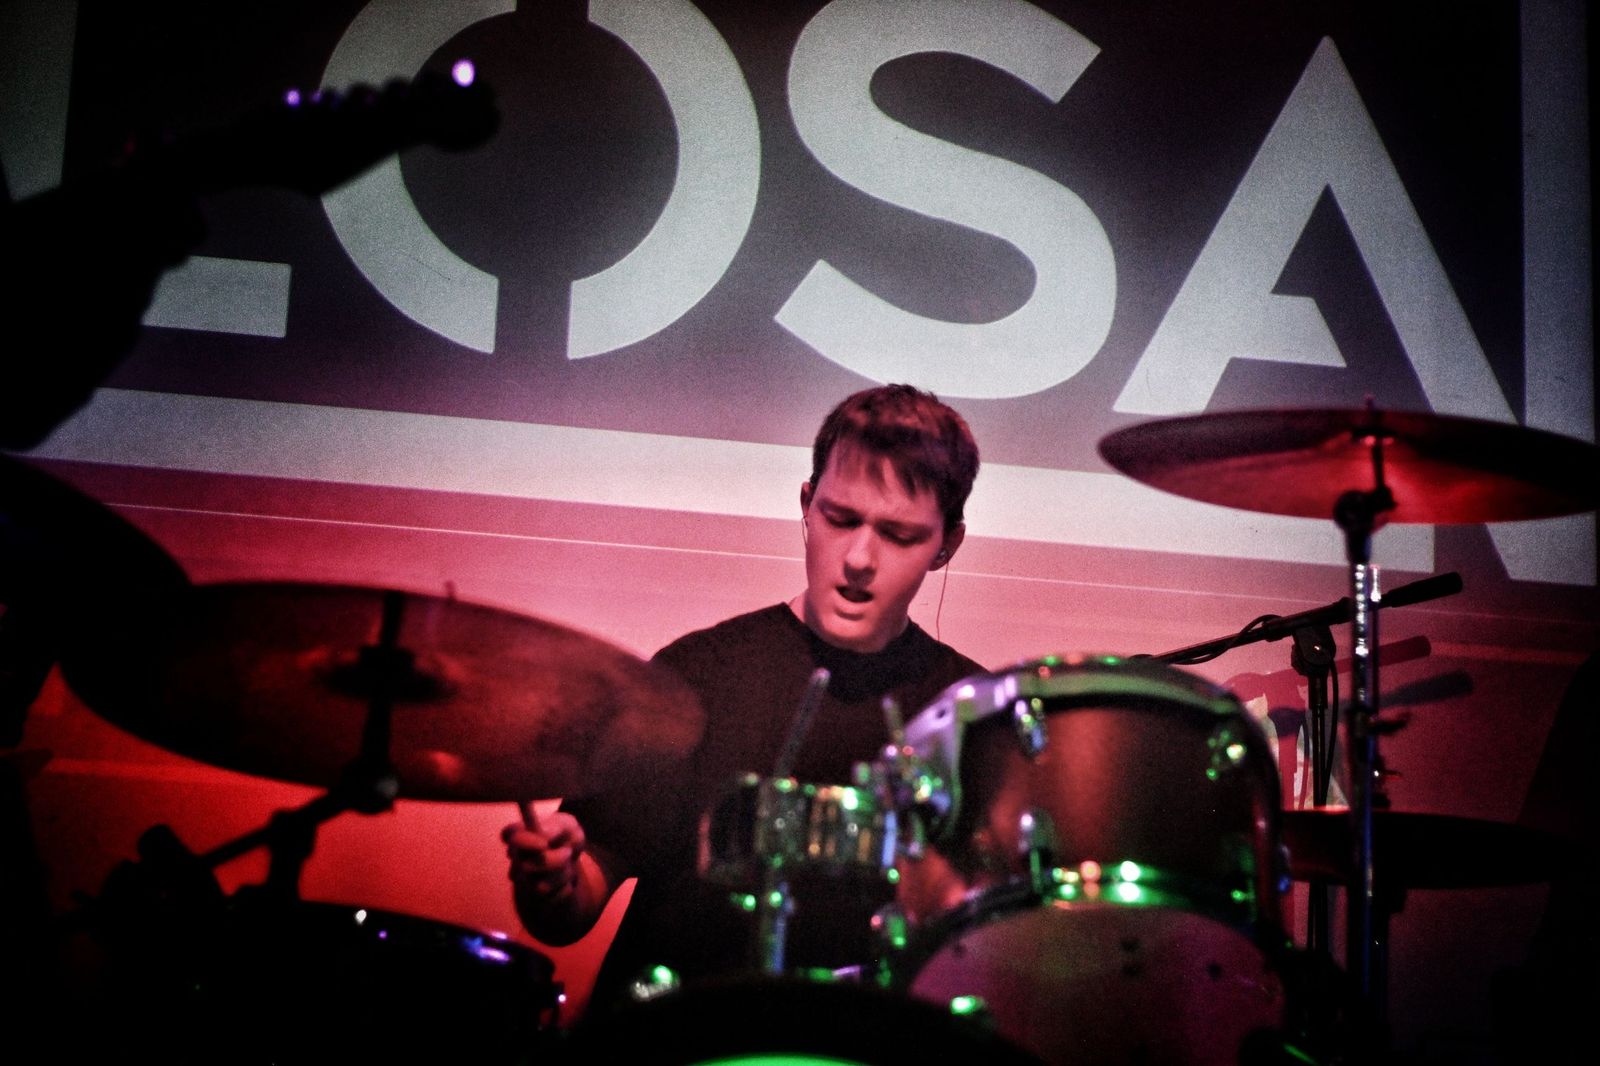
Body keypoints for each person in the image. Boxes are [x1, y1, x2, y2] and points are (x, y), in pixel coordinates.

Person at [502, 384, 983, 1012]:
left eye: (898, 535)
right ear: (807, 506)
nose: (859, 558)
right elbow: (571, 910)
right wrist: (553, 881)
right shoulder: (695, 675)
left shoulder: (971, 715)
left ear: (946, 544)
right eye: (840, 520)